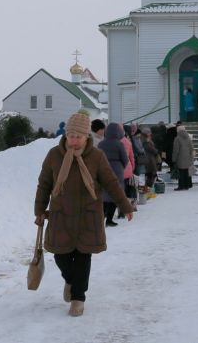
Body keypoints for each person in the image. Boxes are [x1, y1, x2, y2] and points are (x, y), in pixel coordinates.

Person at [34, 112, 135, 317]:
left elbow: (111, 183)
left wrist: (125, 205)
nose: (74, 141)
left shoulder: (96, 156)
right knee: (61, 255)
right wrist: (40, 210)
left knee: (82, 257)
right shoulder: (54, 155)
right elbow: (44, 184)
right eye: (71, 136)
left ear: (86, 136)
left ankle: (78, 298)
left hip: (87, 215)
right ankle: (70, 281)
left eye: (78, 136)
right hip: (61, 215)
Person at [97, 122, 130, 227]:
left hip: (103, 170)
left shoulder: (101, 144)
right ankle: (109, 220)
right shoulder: (119, 144)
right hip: (116, 170)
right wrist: (121, 167)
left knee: (104, 195)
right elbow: (125, 159)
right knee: (115, 194)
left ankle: (100, 219)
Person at [172, 124, 194, 190]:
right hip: (187, 157)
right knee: (186, 172)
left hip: (180, 158)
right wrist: (191, 157)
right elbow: (191, 148)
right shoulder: (188, 137)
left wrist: (174, 159)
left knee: (181, 172)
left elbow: (176, 150)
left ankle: (181, 186)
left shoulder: (177, 138)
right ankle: (186, 185)